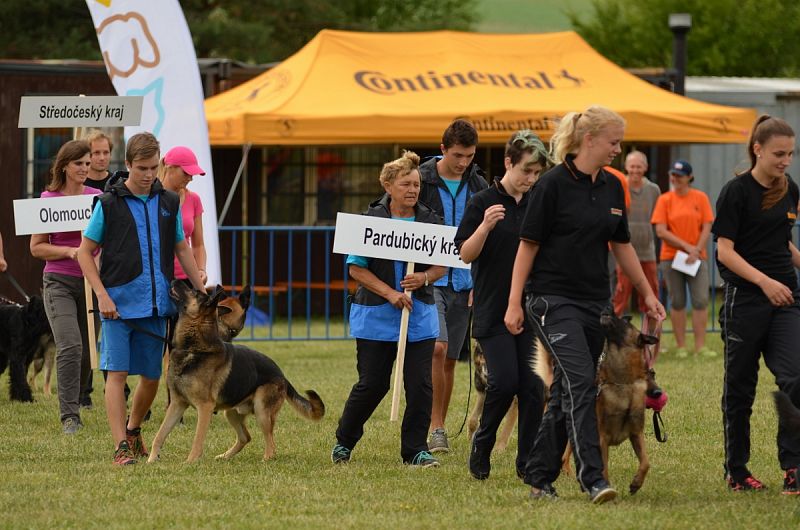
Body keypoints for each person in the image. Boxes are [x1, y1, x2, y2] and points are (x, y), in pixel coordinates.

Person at [504, 106, 666, 504]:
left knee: (564, 392)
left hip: (595, 303)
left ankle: (539, 476)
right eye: (614, 141)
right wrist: (514, 303)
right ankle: (593, 477)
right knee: (580, 381)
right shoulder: (552, 185)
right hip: (550, 300)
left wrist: (647, 292)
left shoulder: (613, 187)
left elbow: (622, 244)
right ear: (589, 140)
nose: (619, 148)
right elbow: (528, 247)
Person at [77, 132, 205, 466]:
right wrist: (101, 295)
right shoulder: (108, 204)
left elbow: (181, 247)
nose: (148, 175)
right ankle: (121, 446)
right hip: (116, 306)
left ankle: (133, 431)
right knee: (116, 376)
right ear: (129, 165)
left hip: (155, 305)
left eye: (153, 168)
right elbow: (85, 253)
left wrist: (201, 289)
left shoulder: (169, 202)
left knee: (151, 377)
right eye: (141, 169)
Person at [331, 151, 446, 468]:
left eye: (417, 185)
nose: (413, 190)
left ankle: (415, 450)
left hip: (419, 315)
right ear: (388, 185)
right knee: (373, 384)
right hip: (376, 318)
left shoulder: (430, 221)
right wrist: (391, 294)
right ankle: (345, 440)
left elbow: (442, 266)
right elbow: (356, 270)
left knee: (420, 384)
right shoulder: (370, 221)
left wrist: (424, 276)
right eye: (406, 184)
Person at [712, 115, 800, 493]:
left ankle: (793, 466)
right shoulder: (736, 192)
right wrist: (764, 282)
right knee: (740, 389)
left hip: (787, 299)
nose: (785, 161)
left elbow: (781, 242)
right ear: (757, 149)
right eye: (779, 153)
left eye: (791, 154)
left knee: (795, 377)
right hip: (744, 300)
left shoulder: (790, 189)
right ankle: (737, 470)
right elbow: (724, 252)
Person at [454, 130, 549, 480]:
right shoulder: (482, 201)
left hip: (531, 308)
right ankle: (483, 442)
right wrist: (484, 227)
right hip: (493, 307)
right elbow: (465, 253)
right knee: (504, 382)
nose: (531, 179)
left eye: (537, 173)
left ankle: (527, 462)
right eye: (526, 170)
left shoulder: (539, 200)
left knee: (532, 387)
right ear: (508, 162)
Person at [418, 118, 488, 453]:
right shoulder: (420, 178)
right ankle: (435, 426)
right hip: (429, 279)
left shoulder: (479, 183)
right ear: (443, 149)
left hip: (465, 281)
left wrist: (482, 279)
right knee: (437, 348)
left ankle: (438, 426)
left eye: (469, 155)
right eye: (458, 155)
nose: (463, 162)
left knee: (448, 361)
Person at [29, 140, 101, 434]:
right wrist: (70, 252)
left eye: (88, 163)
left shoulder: (98, 197)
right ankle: (69, 415)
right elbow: (37, 248)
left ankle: (79, 397)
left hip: (92, 282)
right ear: (64, 167)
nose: (85, 168)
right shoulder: (48, 199)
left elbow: (107, 240)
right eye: (79, 164)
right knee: (70, 345)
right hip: (59, 281)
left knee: (86, 351)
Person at [651, 159, 715, 357]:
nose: (675, 179)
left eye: (679, 175)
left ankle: (700, 346)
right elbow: (661, 230)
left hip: (697, 257)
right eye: (673, 175)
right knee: (676, 301)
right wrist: (687, 246)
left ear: (689, 178)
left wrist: (696, 249)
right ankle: (681, 346)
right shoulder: (664, 200)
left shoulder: (700, 197)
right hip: (671, 257)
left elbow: (707, 225)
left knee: (701, 300)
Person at [613, 151, 661, 316]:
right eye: (632, 166)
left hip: (647, 251)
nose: (635, 170)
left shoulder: (654, 190)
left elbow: (657, 218)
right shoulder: (619, 186)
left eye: (639, 166)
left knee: (651, 297)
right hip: (625, 250)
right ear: (626, 167)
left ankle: (651, 339)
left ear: (646, 168)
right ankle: (614, 337)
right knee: (621, 295)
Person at [157, 146, 208, 286]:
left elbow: (198, 244)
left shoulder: (194, 199)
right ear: (169, 167)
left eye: (192, 174)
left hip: (187, 277)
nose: (190, 178)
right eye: (186, 173)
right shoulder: (151, 197)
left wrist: (201, 269)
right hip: (158, 276)